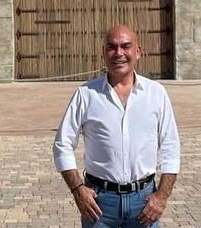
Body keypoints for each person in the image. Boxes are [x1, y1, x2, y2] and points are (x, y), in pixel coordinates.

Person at [53, 24, 181, 228]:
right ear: (104, 53)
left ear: (138, 52)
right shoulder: (86, 94)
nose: (118, 53)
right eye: (111, 47)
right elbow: (62, 144)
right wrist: (78, 190)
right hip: (99, 205)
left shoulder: (156, 94)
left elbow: (171, 148)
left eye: (126, 46)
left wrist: (162, 196)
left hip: (144, 204)